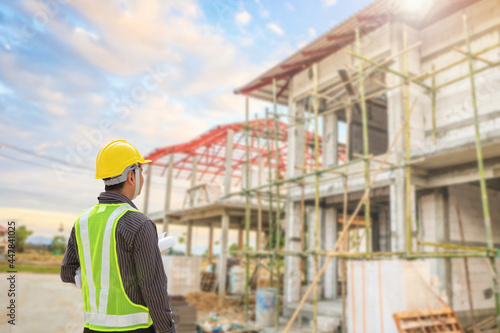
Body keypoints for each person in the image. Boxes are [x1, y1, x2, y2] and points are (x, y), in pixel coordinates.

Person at [61, 140, 176, 333]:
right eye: (141, 171)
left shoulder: (83, 220)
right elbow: (153, 287)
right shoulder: (140, 224)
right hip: (135, 329)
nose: (142, 177)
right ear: (132, 176)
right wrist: (168, 330)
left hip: (92, 328)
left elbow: (68, 273)